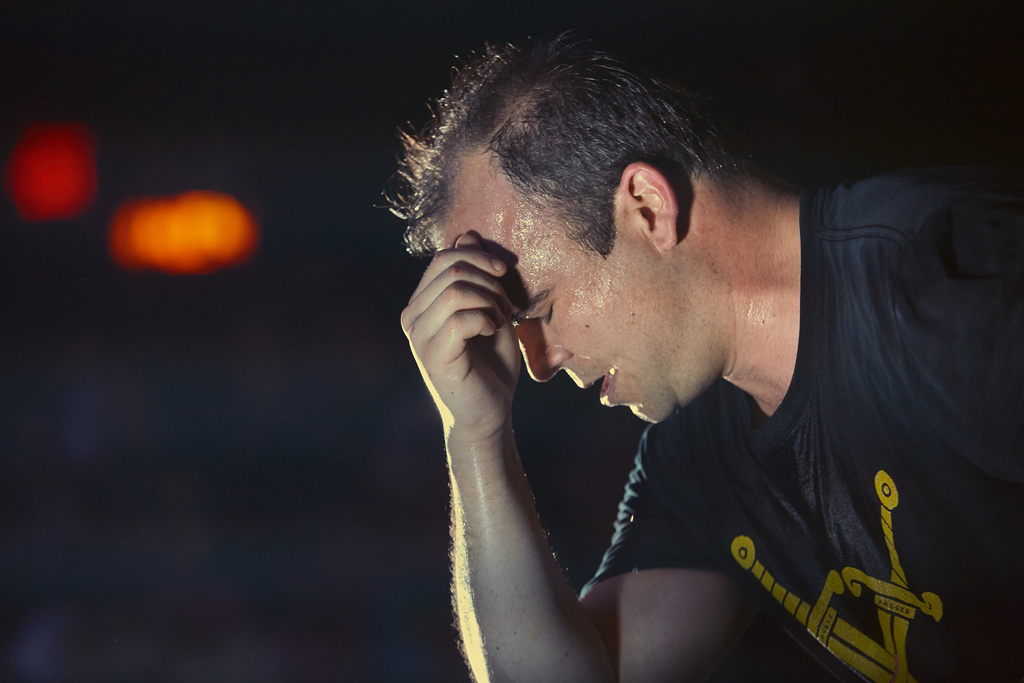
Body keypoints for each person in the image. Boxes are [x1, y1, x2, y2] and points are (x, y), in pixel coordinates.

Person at [394, 36, 1024, 683]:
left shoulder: (946, 283)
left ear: (648, 207)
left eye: (543, 308)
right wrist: (475, 435)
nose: (540, 365)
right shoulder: (698, 457)